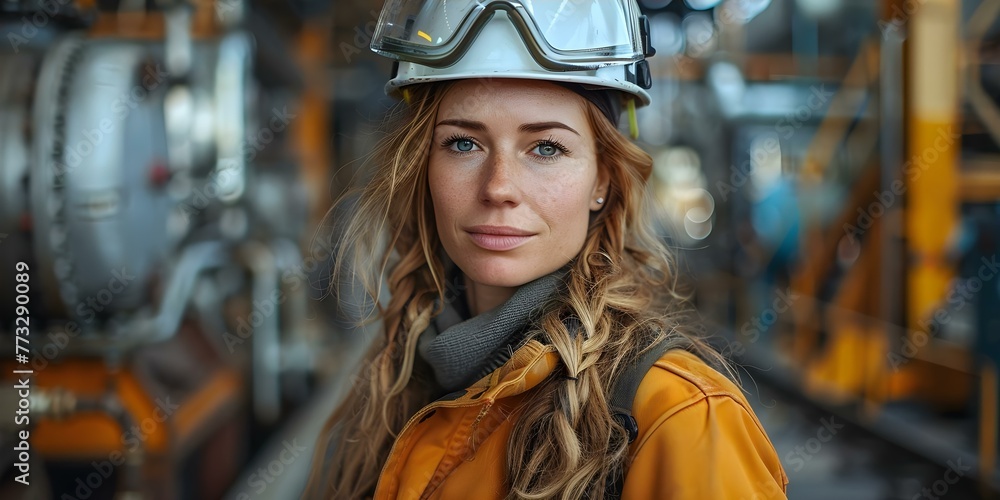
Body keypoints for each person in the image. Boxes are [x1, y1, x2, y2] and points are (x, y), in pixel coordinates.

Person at [305, 1, 788, 498]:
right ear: (422, 164)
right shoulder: (399, 380)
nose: (498, 188)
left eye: (546, 148)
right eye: (463, 144)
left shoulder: (680, 418)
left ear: (603, 178)